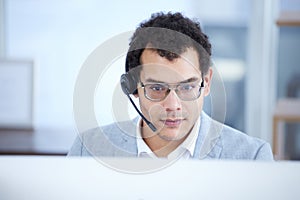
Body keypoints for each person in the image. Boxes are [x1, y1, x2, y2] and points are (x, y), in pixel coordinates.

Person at [68, 12, 273, 160]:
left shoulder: (252, 157)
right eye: (157, 88)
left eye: (187, 87)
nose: (173, 105)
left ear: (207, 82)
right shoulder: (88, 150)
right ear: (133, 87)